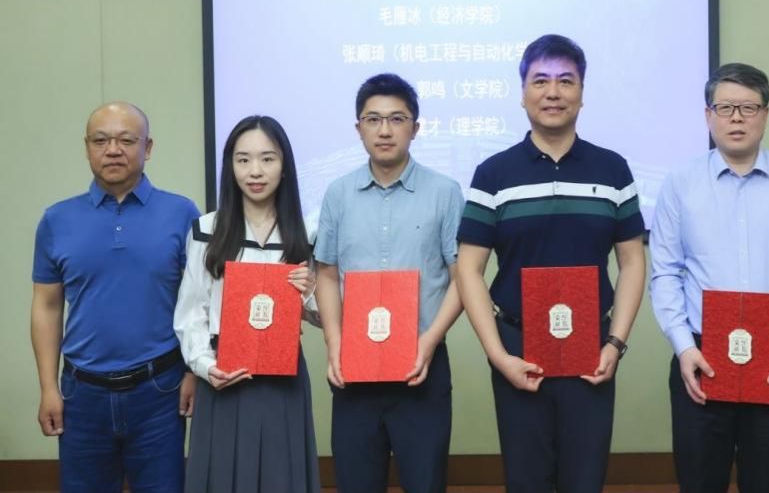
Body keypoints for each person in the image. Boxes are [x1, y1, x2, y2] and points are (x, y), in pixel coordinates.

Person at [455, 34, 647, 493]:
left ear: (582, 92)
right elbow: (468, 269)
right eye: (540, 81)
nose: (553, 92)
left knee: (585, 479)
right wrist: (498, 356)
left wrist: (615, 344)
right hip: (517, 347)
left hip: (592, 348)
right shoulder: (494, 173)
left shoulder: (612, 169)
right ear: (522, 93)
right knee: (526, 480)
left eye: (566, 80)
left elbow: (632, 262)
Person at [649, 63, 769, 493]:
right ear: (707, 115)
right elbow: (666, 272)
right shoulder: (680, 182)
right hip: (701, 358)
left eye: (748, 108)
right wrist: (683, 347)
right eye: (725, 107)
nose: (736, 118)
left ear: (765, 115)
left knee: (768, 481)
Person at [31, 102, 200, 492]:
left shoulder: (181, 213)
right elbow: (46, 307)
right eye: (101, 140)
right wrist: (48, 388)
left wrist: (193, 372)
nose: (113, 150)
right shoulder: (56, 220)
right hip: (81, 395)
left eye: (126, 140)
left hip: (160, 391)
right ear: (86, 147)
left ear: (148, 147)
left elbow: (200, 301)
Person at [314, 73, 464, 493]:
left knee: (425, 483)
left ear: (415, 128)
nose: (384, 130)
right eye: (373, 119)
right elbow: (326, 273)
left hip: (422, 365)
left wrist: (429, 341)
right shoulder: (338, 194)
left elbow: (462, 279)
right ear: (358, 128)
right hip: (354, 368)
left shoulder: (445, 192)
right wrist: (334, 343)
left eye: (397, 119)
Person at [174, 115, 320, 492]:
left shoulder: (307, 233)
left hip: (284, 376)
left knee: (281, 478)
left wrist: (309, 291)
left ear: (285, 166)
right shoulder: (206, 230)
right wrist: (206, 366)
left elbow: (323, 316)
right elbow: (191, 313)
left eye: (268, 159)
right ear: (230, 166)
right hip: (223, 373)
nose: (255, 171)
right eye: (243, 159)